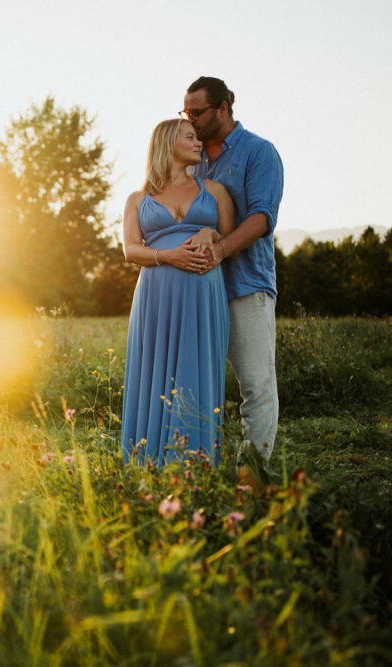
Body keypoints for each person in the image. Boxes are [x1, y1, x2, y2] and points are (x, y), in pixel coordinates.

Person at [180, 76, 285, 462]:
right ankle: (197, 468)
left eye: (196, 112)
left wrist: (220, 250)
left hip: (245, 285)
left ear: (223, 108)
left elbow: (262, 218)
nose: (189, 120)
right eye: (185, 112)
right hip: (196, 287)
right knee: (193, 384)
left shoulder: (258, 152)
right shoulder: (189, 157)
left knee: (256, 385)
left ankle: (251, 473)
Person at [120, 119, 235, 467]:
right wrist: (168, 256)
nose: (198, 142)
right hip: (156, 295)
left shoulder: (214, 191)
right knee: (153, 372)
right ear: (168, 142)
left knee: (197, 367)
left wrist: (209, 233)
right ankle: (148, 460)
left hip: (203, 294)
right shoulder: (137, 199)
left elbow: (230, 237)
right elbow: (130, 250)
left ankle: (195, 461)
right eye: (190, 136)